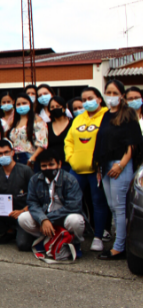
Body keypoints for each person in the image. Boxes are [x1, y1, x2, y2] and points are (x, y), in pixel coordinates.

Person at [94, 80, 143, 260]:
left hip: (119, 165)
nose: (111, 96)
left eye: (115, 93)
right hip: (106, 166)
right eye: (108, 92)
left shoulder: (128, 114)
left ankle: (119, 247)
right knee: (113, 207)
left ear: (122, 95)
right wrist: (99, 166)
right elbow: (102, 142)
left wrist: (121, 165)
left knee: (120, 208)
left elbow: (132, 144)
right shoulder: (106, 115)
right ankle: (119, 241)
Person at [64, 86, 110, 252]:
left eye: (90, 98)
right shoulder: (78, 119)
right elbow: (69, 140)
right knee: (70, 201)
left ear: (99, 98)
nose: (86, 102)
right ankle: (72, 234)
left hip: (97, 170)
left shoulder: (107, 115)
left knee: (98, 202)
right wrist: (71, 158)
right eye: (83, 100)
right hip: (77, 169)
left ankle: (98, 236)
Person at [17, 149, 85, 245]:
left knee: (76, 220)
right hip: (44, 218)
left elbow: (74, 206)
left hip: (63, 218)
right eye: (44, 166)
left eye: (51, 165)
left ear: (59, 164)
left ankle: (72, 241)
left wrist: (47, 219)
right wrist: (42, 219)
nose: (48, 168)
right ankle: (48, 239)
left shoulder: (70, 180)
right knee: (23, 218)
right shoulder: (35, 180)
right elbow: (32, 203)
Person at [0, 139, 34, 250]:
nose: (3, 155)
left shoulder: (25, 171)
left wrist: (23, 210)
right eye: (0, 153)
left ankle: (22, 231)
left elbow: (36, 197)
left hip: (24, 214)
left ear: (12, 152)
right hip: (6, 214)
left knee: (23, 245)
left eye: (6, 152)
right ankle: (9, 231)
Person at [7, 93, 47, 170]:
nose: (21, 106)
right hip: (15, 157)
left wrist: (32, 158)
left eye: (24, 103)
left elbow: (42, 144)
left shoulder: (37, 120)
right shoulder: (14, 122)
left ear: (30, 104)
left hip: (30, 156)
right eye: (18, 104)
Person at [47, 96, 71, 171]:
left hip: (70, 164)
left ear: (63, 107)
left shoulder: (73, 123)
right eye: (52, 107)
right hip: (52, 165)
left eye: (58, 106)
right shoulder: (46, 126)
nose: (55, 108)